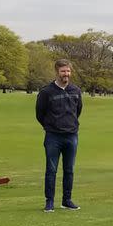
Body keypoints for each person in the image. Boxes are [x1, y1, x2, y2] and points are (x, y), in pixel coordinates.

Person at [36, 58, 83, 212]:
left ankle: (66, 200)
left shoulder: (76, 91)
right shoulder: (46, 92)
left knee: (69, 169)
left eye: (68, 71)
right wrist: (50, 126)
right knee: (51, 170)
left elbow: (78, 111)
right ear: (57, 72)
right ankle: (49, 201)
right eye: (63, 71)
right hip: (53, 137)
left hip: (71, 135)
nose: (66, 74)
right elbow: (39, 114)